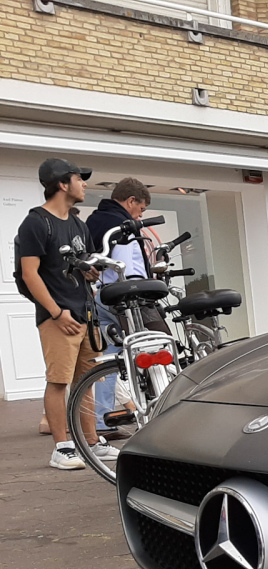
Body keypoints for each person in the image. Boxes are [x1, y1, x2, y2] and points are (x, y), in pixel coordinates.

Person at [15, 158, 118, 470]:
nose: (85, 184)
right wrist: (56, 312)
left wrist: (92, 273)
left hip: (85, 315)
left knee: (86, 381)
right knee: (59, 381)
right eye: (79, 178)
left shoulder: (78, 224)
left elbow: (84, 265)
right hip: (58, 316)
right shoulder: (35, 223)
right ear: (62, 183)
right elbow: (29, 274)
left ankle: (90, 442)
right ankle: (61, 447)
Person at [86, 177, 155, 436]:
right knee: (150, 350)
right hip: (124, 299)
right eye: (141, 209)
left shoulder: (93, 220)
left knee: (109, 359)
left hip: (100, 296)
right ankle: (155, 410)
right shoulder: (123, 226)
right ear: (131, 201)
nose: (140, 215)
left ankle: (103, 419)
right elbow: (129, 266)